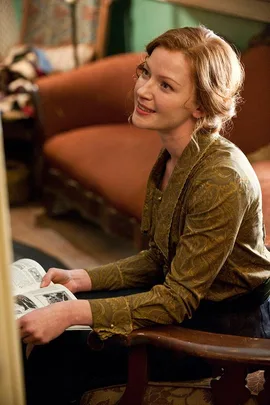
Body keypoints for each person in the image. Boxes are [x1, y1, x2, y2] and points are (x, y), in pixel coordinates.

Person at [19, 26, 270, 405]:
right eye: (145, 72)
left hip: (225, 325)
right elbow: (159, 258)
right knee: (56, 322)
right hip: (189, 296)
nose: (143, 90)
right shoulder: (173, 156)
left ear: (200, 105)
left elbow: (178, 299)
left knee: (59, 351)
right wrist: (83, 277)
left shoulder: (222, 179)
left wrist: (72, 313)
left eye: (165, 86)